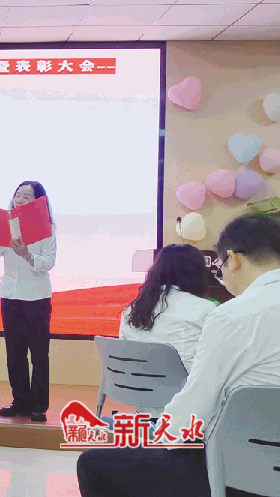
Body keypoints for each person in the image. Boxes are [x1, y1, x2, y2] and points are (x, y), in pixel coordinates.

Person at [76, 213, 280, 497]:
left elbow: (197, 403)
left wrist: (160, 440)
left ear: (232, 260)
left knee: (93, 465)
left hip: (241, 472)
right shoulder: (207, 310)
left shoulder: (232, 316)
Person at [0, 181, 57, 422]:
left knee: (38, 354)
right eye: (18, 195)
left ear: (38, 202)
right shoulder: (6, 224)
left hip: (36, 296)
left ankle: (39, 405)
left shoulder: (46, 228)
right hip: (10, 295)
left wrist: (27, 255)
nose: (20, 199)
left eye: (26, 196)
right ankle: (20, 400)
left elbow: (48, 262)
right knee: (14, 352)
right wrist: (2, 235)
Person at [118, 244, 215, 377]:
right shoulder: (205, 308)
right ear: (198, 275)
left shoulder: (132, 309)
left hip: (133, 386)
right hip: (183, 387)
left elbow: (123, 356)